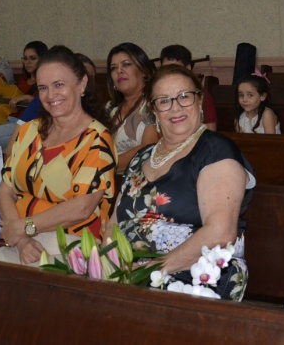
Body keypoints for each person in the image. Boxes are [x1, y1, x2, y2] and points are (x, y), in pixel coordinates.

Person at [107, 65, 255, 300]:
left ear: (199, 102)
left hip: (196, 274)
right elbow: (113, 226)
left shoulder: (215, 149)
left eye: (184, 97)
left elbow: (220, 232)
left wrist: (150, 270)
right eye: (164, 101)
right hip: (133, 274)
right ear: (154, 110)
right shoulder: (140, 157)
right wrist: (109, 267)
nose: (175, 107)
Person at [0, 46, 116, 266]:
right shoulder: (29, 131)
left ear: (82, 84)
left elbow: (81, 208)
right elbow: (5, 190)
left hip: (73, 244)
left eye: (59, 85)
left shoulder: (96, 139)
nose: (50, 95)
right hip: (23, 242)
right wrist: (22, 240)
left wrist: (24, 227)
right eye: (43, 88)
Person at [105, 43, 158, 172]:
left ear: (144, 71)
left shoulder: (154, 105)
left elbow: (148, 149)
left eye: (126, 64)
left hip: (140, 181)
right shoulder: (109, 109)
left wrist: (101, 168)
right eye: (113, 68)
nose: (119, 71)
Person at [159, 44, 218, 130]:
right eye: (165, 68)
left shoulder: (202, 96)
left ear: (188, 68)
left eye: (175, 69)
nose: (169, 73)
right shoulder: (158, 97)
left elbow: (211, 131)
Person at [7, 40, 48, 116]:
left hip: (28, 123)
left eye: (32, 58)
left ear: (43, 59)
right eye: (25, 58)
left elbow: (45, 106)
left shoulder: (47, 82)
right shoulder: (23, 80)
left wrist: (26, 97)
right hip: (10, 118)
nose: (28, 62)